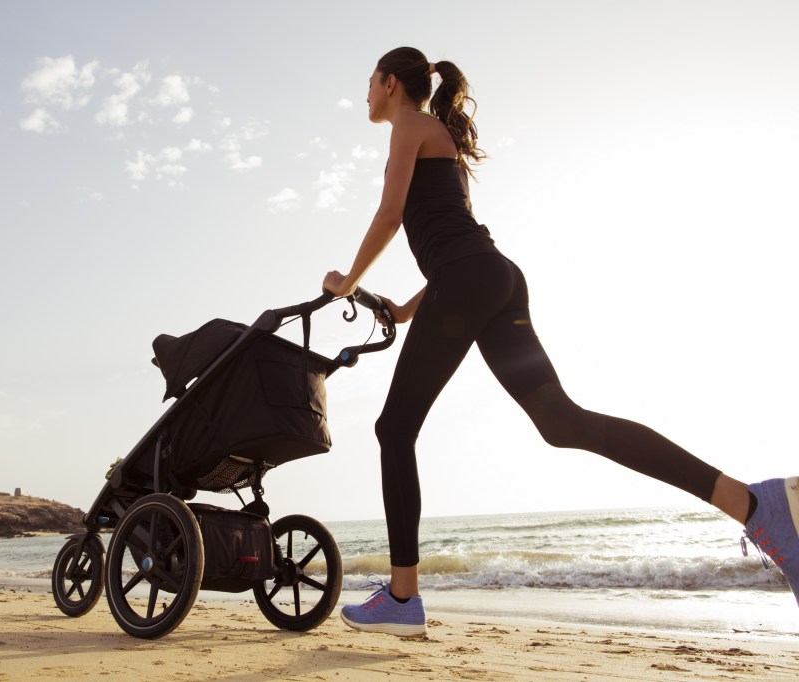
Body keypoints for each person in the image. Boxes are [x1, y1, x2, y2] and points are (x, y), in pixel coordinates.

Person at [321, 46, 799, 638]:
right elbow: (457, 243)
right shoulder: (435, 136)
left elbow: (391, 215)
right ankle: (754, 505)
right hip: (492, 278)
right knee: (563, 423)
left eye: (369, 82)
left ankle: (402, 596)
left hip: (473, 278)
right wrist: (407, 307)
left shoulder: (411, 127)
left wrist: (349, 280)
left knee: (394, 429)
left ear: (391, 83)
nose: (365, 93)